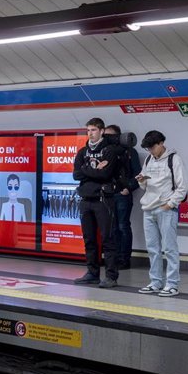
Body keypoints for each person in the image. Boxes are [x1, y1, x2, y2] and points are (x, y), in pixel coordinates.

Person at [136, 130, 188, 297]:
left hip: (165, 209)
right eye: (148, 148)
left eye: (152, 147)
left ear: (161, 143)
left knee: (169, 248)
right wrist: (142, 181)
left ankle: (172, 284)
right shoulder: (149, 159)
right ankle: (156, 282)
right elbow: (145, 186)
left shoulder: (174, 159)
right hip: (148, 208)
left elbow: (182, 187)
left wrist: (169, 204)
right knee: (153, 248)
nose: (150, 151)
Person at [72, 117, 119, 288]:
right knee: (89, 239)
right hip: (85, 200)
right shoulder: (82, 152)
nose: (90, 133)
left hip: (103, 200)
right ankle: (92, 273)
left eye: (93, 130)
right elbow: (76, 175)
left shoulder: (109, 151)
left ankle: (111, 276)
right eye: (88, 130)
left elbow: (105, 174)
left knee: (108, 238)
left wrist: (87, 170)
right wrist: (93, 169)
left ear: (101, 130)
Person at [104, 125, 142, 270]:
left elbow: (137, 174)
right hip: (108, 194)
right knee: (112, 228)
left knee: (123, 226)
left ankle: (124, 259)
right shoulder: (105, 151)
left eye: (110, 136)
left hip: (122, 194)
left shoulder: (129, 152)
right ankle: (114, 258)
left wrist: (129, 188)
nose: (107, 139)